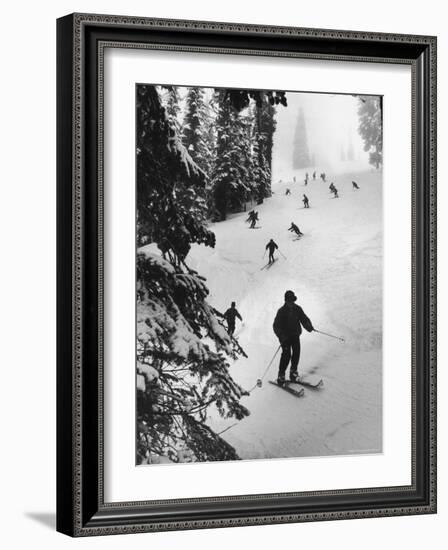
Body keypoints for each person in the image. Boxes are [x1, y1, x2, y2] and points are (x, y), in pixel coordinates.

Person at [273, 290, 314, 385]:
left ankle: (293, 373)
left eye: (292, 300)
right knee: (286, 355)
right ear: (286, 301)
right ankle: (281, 375)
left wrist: (309, 326)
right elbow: (276, 326)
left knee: (296, 353)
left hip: (295, 335)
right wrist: (281, 336)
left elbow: (304, 319)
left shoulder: (297, 309)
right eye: (289, 301)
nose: (291, 303)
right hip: (285, 337)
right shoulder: (281, 311)